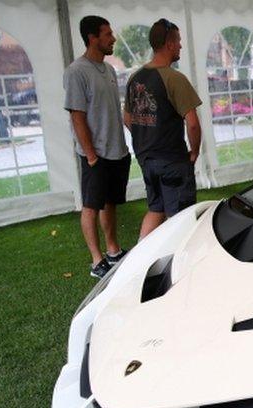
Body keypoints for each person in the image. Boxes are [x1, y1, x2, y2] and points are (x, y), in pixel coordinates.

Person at [64, 15, 132, 278]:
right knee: (91, 206)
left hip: (117, 150)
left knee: (110, 203)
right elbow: (77, 116)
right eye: (107, 34)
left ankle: (113, 251)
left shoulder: (110, 70)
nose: (113, 38)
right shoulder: (76, 71)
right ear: (92, 38)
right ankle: (96, 261)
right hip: (95, 154)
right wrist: (91, 155)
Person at [124, 18, 202, 239]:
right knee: (181, 218)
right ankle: (179, 266)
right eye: (178, 41)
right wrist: (194, 152)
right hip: (172, 160)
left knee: (156, 208)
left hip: (146, 158)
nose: (180, 46)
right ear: (169, 44)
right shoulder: (174, 78)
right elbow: (193, 124)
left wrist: (148, 137)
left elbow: (127, 118)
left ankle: (138, 262)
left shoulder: (135, 78)